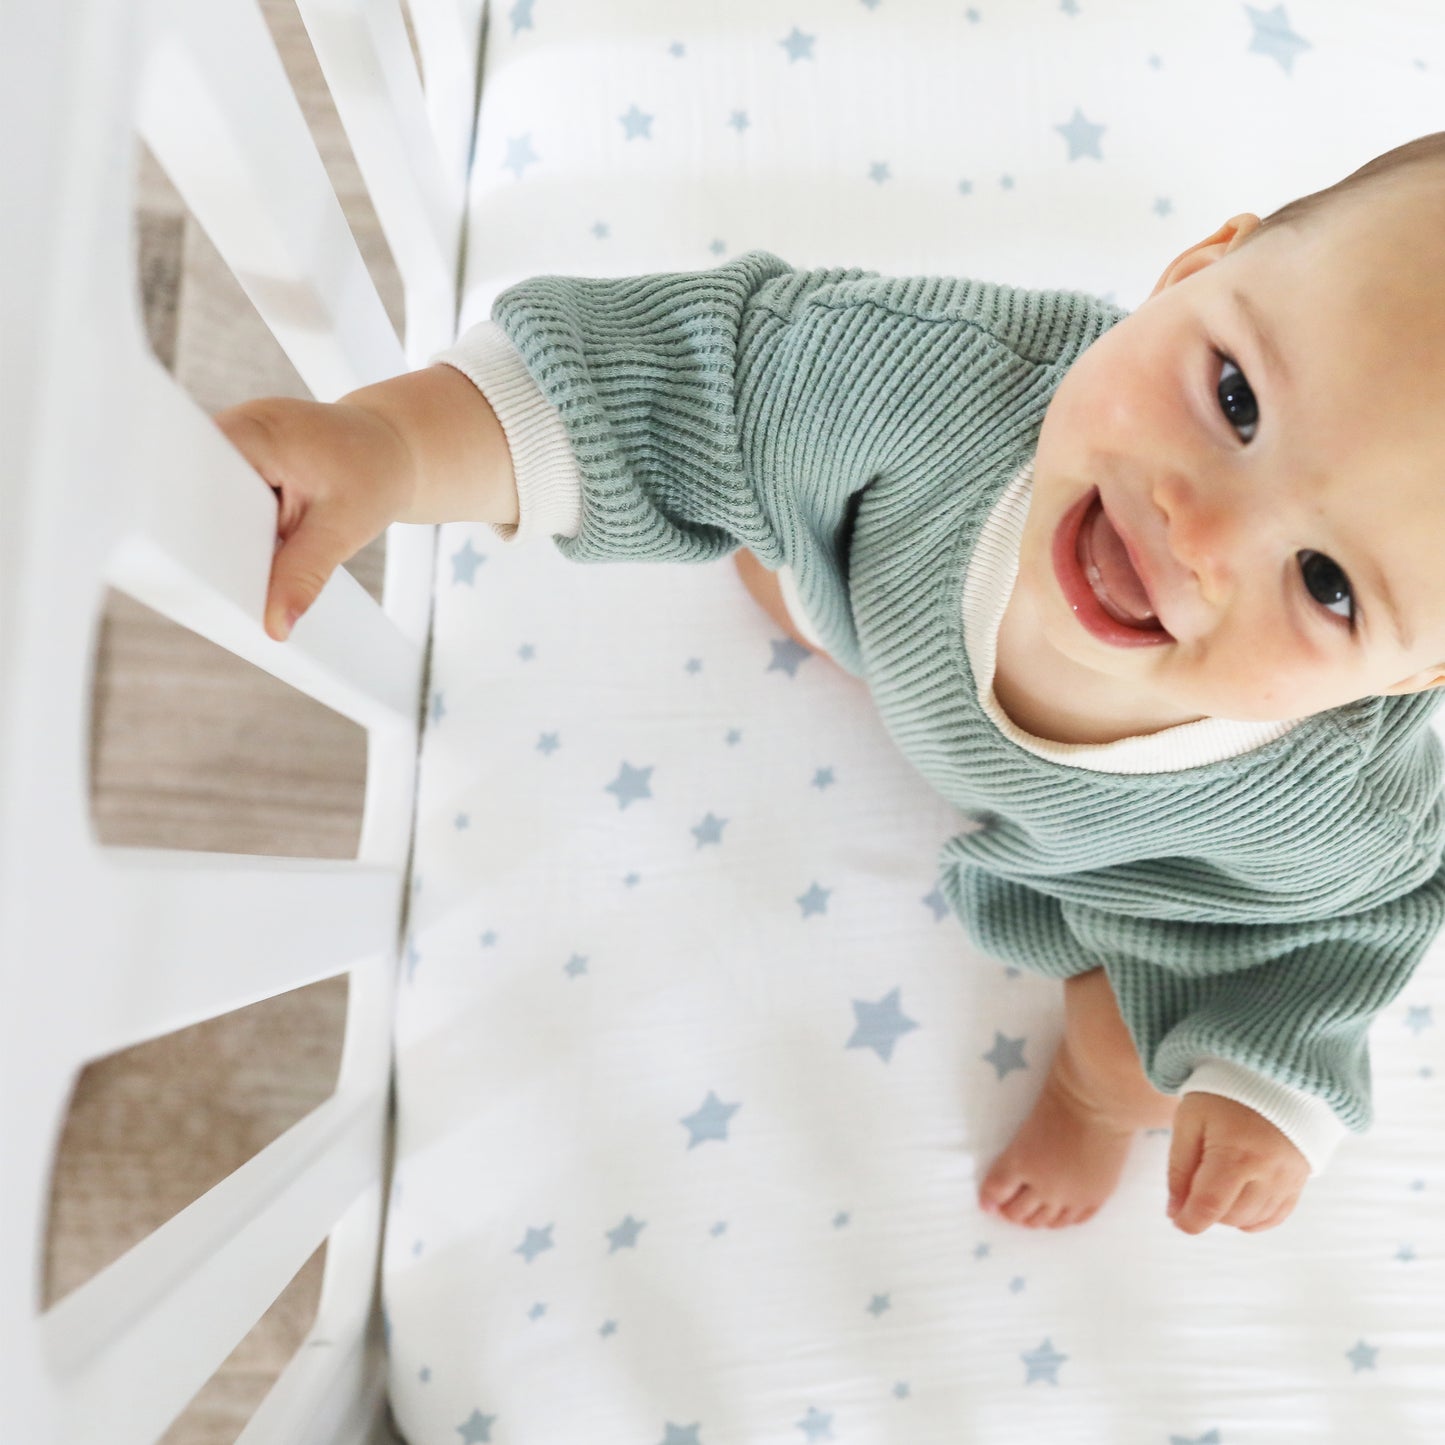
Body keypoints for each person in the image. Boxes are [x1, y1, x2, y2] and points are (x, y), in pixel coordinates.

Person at [214, 133, 1445, 1239]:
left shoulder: (1343, 797)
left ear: (1416, 674)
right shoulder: (937, 386)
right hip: (891, 610)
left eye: (1327, 583)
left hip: (1122, 880)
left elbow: (1350, 924)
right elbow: (685, 375)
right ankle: (853, 614)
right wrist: (389, 445)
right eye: (1231, 395)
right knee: (769, 539)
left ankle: (1085, 1098)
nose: (1196, 534)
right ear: (1189, 271)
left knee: (1138, 1058)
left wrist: (1266, 1084)